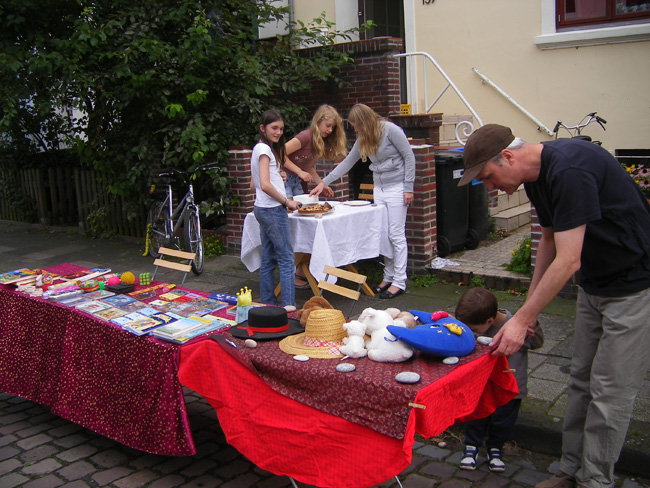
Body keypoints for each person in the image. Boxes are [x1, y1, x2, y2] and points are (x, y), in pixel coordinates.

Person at [458, 124, 650, 488]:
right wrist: (530, 309)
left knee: (610, 391)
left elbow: (568, 260)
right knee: (580, 380)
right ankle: (570, 470)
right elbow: (548, 239)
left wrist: (520, 321)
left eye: (488, 176)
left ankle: (596, 480)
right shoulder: (535, 177)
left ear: (509, 157)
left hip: (632, 286)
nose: (490, 187)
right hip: (595, 284)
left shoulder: (569, 171)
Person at [310, 103, 415, 299]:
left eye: (356, 125)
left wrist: (408, 187)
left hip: (397, 188)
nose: (355, 130)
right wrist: (323, 183)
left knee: (396, 234)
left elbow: (409, 157)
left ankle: (399, 281)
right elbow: (347, 163)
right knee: (384, 234)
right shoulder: (363, 139)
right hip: (380, 189)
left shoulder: (391, 130)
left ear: (364, 122)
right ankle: (388, 276)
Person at [454, 287, 543, 473]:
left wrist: (533, 328)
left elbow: (537, 343)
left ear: (489, 320)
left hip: (510, 385)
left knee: (503, 421)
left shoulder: (516, 324)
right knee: (476, 416)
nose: (471, 332)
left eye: (474, 330)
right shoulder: (475, 321)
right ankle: (471, 447)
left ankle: (496, 449)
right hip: (481, 385)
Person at [284, 105, 347, 289]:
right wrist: (297, 172)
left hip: (298, 183)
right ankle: (289, 274)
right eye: (327, 125)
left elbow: (309, 166)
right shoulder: (305, 136)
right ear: (318, 121)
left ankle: (300, 269)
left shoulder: (319, 141)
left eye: (332, 128)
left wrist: (322, 184)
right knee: (290, 226)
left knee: (304, 224)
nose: (329, 130)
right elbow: (279, 153)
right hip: (285, 181)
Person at [250, 110, 301, 311]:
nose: (278, 132)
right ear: (262, 128)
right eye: (274, 128)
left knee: (268, 260)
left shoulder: (261, 149)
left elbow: (255, 183)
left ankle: (268, 306)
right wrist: (286, 201)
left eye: (281, 128)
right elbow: (264, 184)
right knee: (287, 260)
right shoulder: (264, 149)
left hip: (263, 208)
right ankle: (289, 308)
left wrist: (277, 177)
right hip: (272, 209)